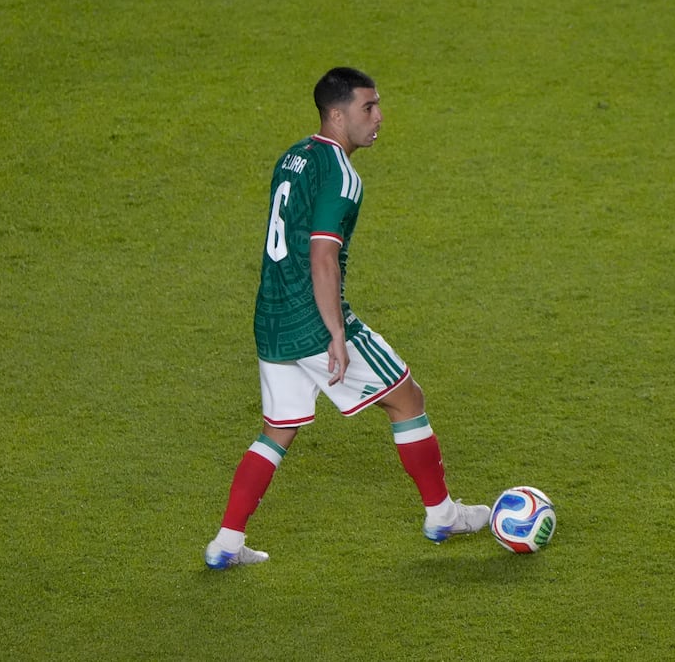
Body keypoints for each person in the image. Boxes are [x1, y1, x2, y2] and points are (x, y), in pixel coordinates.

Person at [204, 67, 489, 568]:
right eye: (368, 107)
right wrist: (336, 332)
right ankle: (441, 514)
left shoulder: (293, 156)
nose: (379, 117)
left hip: (270, 318)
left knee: (277, 430)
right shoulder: (342, 173)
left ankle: (226, 542)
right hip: (312, 317)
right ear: (337, 115)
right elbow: (321, 256)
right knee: (407, 398)